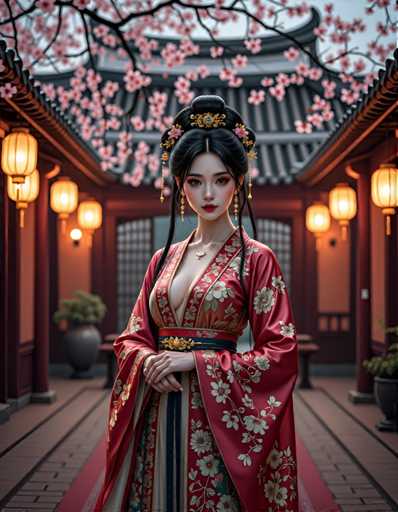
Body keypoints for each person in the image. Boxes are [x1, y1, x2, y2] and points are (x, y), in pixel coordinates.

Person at [94, 95, 299, 511]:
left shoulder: (257, 258)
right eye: (194, 181)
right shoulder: (163, 259)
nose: (208, 193)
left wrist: (196, 361)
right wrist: (145, 359)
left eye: (221, 180)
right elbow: (133, 335)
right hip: (157, 407)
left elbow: (281, 351)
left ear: (239, 182)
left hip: (216, 419)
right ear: (179, 184)